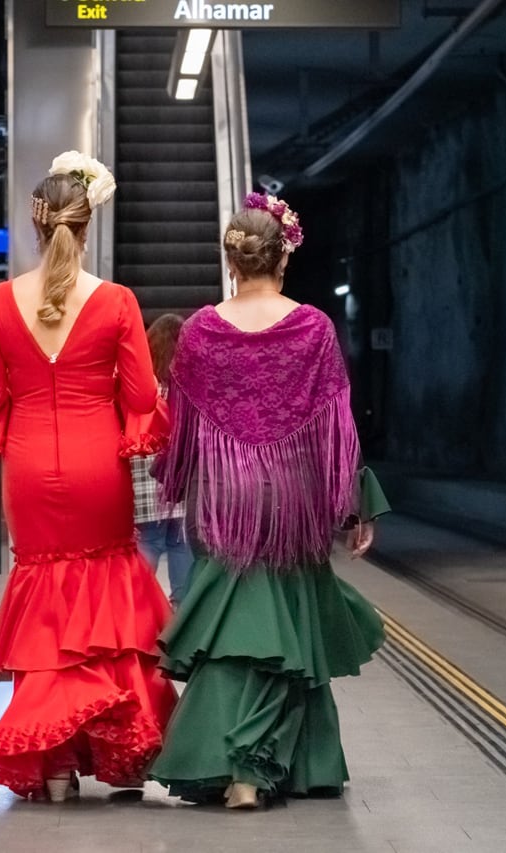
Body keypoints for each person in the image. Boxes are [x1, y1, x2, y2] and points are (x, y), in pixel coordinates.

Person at [147, 193, 390, 809]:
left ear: (232, 263)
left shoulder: (200, 330)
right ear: (283, 259)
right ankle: (262, 767)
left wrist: (177, 479)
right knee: (291, 614)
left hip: (222, 496)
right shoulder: (312, 327)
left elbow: (186, 428)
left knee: (239, 620)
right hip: (295, 492)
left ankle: (241, 764)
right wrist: (356, 504)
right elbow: (336, 429)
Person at [0, 151, 177, 802]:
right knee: (107, 602)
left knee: (47, 610)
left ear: (35, 227)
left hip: (27, 469)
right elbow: (140, 396)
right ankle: (123, 751)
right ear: (85, 230)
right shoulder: (116, 302)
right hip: (95, 464)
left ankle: (53, 767)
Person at [131, 314, 194, 606]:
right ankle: (182, 608)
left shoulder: (142, 385)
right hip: (180, 473)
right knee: (181, 543)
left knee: (149, 541)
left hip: (144, 477)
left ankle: (139, 605)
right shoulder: (190, 385)